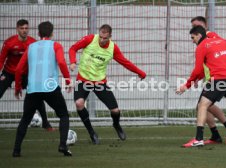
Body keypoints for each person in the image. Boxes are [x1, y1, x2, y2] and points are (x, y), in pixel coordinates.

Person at [176, 25, 226, 147]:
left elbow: (198, 69)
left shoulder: (201, 46)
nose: (192, 40)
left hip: (219, 80)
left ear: (199, 35)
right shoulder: (224, 42)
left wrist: (186, 85)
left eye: (193, 38)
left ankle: (199, 139)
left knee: (202, 105)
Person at [69, 24, 146, 144]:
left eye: (105, 38)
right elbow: (73, 48)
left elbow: (125, 62)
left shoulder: (113, 48)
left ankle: (116, 125)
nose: (102, 39)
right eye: (100, 36)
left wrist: (140, 72)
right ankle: (92, 133)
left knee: (115, 110)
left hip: (100, 82)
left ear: (110, 36)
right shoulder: (90, 39)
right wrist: (73, 61)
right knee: (79, 103)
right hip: (83, 79)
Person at [12, 21, 72, 157]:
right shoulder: (56, 45)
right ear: (52, 33)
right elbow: (62, 62)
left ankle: (16, 150)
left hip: (33, 89)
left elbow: (18, 69)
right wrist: (68, 80)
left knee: (25, 119)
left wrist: (17, 87)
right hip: (50, 87)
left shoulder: (31, 47)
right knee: (63, 115)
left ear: (38, 33)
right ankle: (63, 145)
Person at [183, 16, 226, 147]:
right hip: (209, 76)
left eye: (196, 25)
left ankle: (219, 131)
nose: (193, 28)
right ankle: (219, 133)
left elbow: (223, 49)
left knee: (204, 105)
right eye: (192, 26)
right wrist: (197, 77)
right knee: (205, 106)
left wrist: (188, 83)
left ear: (203, 26)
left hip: (216, 78)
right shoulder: (202, 42)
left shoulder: (212, 37)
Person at [0, 19, 54, 131]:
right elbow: (1, 60)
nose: (24, 31)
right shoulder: (9, 43)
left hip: (26, 74)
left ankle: (45, 123)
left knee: (38, 96)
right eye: (22, 28)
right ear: (17, 29)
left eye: (26, 28)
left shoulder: (33, 43)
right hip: (9, 73)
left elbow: (38, 60)